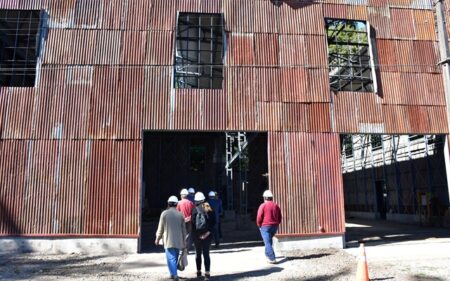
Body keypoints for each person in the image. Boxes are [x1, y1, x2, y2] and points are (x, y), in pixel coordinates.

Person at [155, 196, 187, 281]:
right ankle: (173, 274)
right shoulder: (180, 214)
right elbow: (184, 230)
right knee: (175, 258)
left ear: (168, 204)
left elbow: (160, 228)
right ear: (177, 204)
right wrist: (184, 241)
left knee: (171, 258)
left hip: (168, 240)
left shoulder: (164, 214)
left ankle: (174, 275)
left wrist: (157, 238)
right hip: (179, 241)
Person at [192, 192, 216, 280]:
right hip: (207, 236)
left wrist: (197, 235)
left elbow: (193, 224)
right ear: (203, 199)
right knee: (206, 254)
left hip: (197, 236)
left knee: (198, 254)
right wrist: (207, 233)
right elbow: (213, 223)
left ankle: (198, 272)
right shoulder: (209, 208)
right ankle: (207, 274)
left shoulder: (194, 209)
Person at [256, 190, 282, 264]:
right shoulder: (276, 205)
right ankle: (267, 254)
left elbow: (259, 217)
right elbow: (280, 216)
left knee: (267, 242)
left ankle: (272, 258)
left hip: (265, 226)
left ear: (265, 198)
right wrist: (278, 223)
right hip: (274, 226)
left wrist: (259, 224)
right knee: (269, 241)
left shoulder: (263, 205)